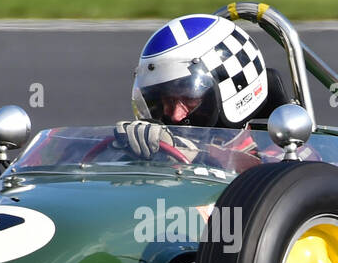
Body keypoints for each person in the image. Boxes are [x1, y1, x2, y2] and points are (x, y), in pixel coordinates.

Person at [114, 13, 286, 162]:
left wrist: (193, 155)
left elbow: (256, 177)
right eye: (161, 100)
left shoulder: (285, 157)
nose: (174, 115)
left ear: (233, 90)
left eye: (189, 99)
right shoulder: (158, 152)